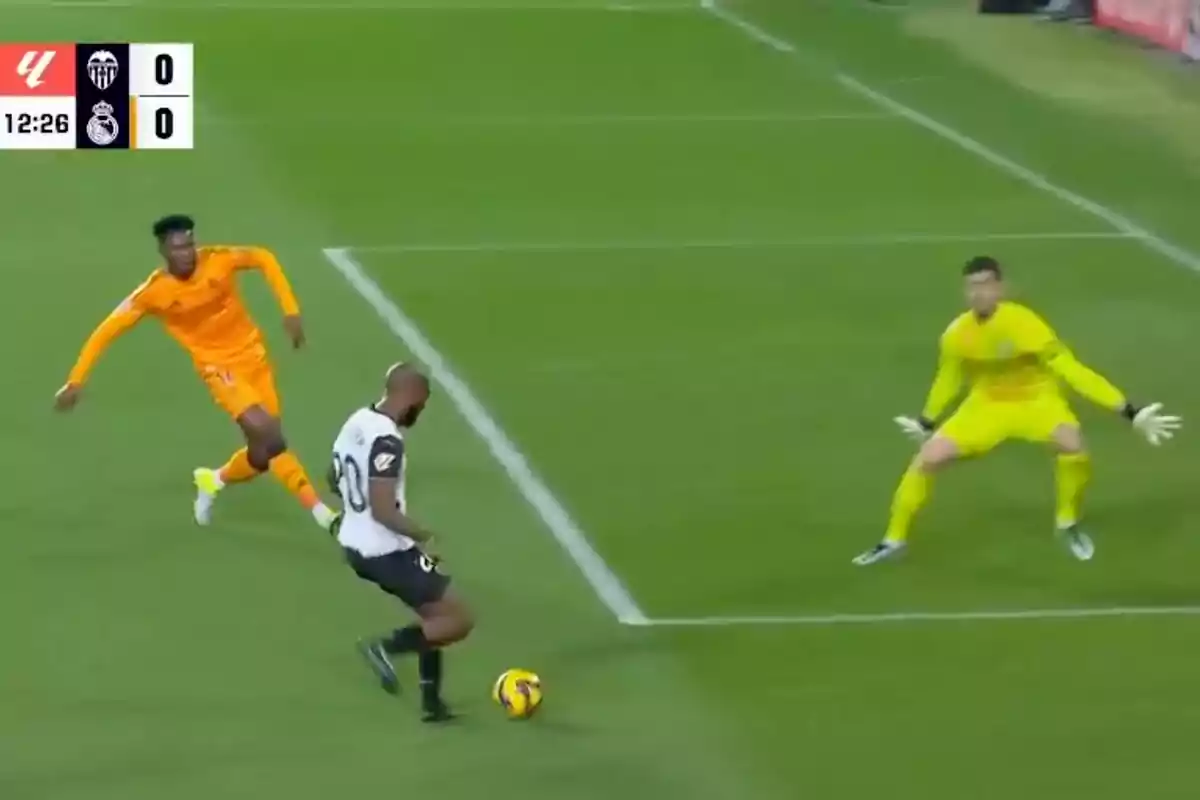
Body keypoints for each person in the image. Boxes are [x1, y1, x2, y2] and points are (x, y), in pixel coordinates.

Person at [854, 256, 1181, 566]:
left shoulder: (1025, 324)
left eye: (985, 284)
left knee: (1073, 446)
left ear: (1000, 288)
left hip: (1036, 401)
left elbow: (1071, 369)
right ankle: (893, 541)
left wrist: (1128, 411)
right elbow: (949, 378)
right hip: (986, 406)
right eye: (971, 286)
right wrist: (927, 421)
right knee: (928, 458)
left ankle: (1067, 522)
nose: (978, 293)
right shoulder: (957, 334)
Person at [55, 214, 337, 530]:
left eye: (189, 245)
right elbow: (105, 331)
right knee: (270, 435)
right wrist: (76, 380)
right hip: (220, 369)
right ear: (163, 250)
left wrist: (290, 310)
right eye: (177, 248)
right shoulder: (153, 292)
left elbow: (263, 257)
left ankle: (214, 479)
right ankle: (324, 515)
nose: (187, 253)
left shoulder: (218, 260)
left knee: (262, 454)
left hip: (256, 358)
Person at [330, 362, 473, 723]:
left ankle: (432, 704)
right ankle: (384, 648)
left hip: (355, 542)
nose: (419, 413)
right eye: (421, 405)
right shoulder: (388, 441)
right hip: (385, 550)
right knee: (458, 619)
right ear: (410, 396)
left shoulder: (356, 421)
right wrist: (424, 535)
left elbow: (333, 477)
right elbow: (383, 511)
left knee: (432, 612)